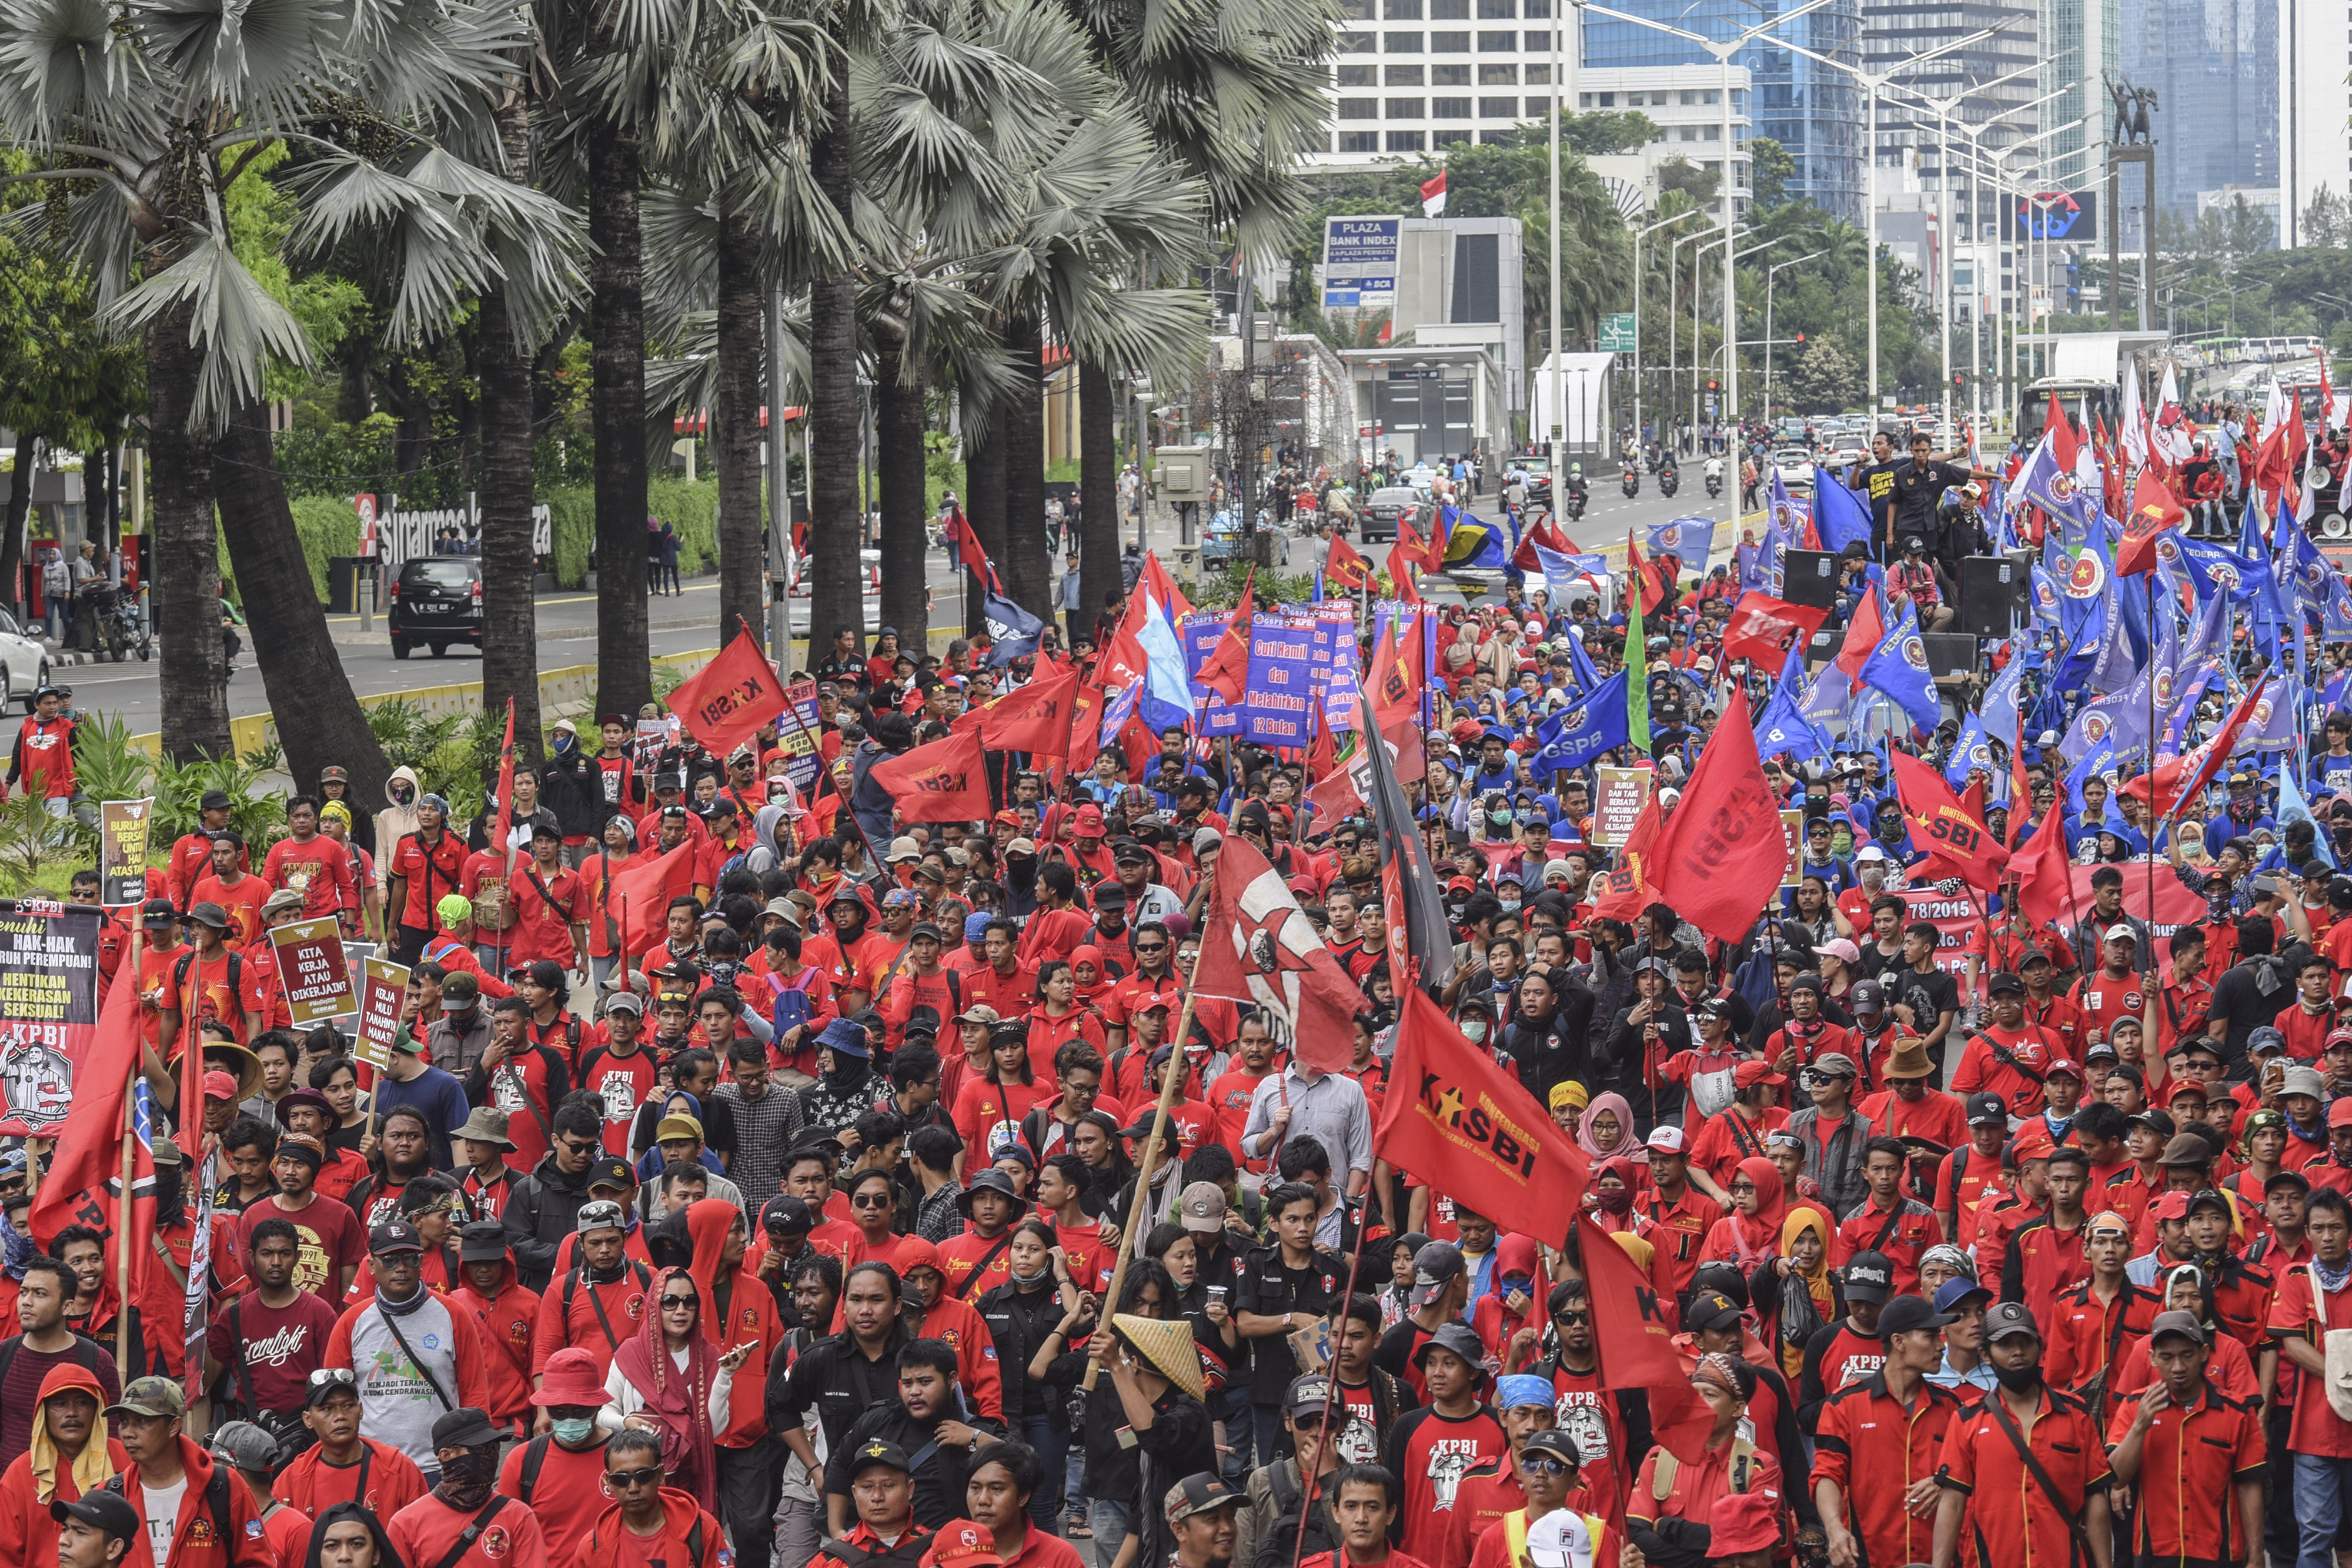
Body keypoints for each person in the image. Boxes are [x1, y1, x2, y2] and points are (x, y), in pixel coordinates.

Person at [1927, 1302, 2114, 1568]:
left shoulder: (2076, 1415)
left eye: (2026, 1342)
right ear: (1986, 1354)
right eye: (2005, 1344)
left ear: (2039, 1347)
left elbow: (2095, 1497)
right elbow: (1953, 1503)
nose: (2018, 1352)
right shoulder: (1967, 1420)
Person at [322, 1221, 492, 1482]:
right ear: (371, 1266)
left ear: (422, 1262)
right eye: (389, 1260)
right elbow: (333, 1402)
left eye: (410, 1258)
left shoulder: (453, 1314)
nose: (401, 1268)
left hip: (439, 1465)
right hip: (371, 1465)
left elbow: (475, 1393)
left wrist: (473, 1455)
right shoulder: (352, 1321)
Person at [1810, 1293, 1964, 1568]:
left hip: (1938, 1558)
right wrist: (1834, 1528)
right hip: (1869, 1558)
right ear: (1899, 1342)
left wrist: (1945, 1483)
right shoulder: (1843, 1405)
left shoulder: (1953, 1407)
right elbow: (1827, 1473)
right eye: (1929, 1336)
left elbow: (1969, 1475)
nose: (1941, 1346)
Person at [2102, 1310, 2264, 1568]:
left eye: (2187, 1355)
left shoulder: (2237, 1412)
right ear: (2153, 1359)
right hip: (2155, 1552)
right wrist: (2140, 1426)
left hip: (2219, 1553)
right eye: (2167, 1357)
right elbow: (2117, 1478)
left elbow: (2250, 1486)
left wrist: (2256, 1558)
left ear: (2203, 1354)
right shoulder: (2135, 1405)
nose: (2178, 1367)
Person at [100, 1375, 276, 1568]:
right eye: (124, 1421)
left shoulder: (223, 1486)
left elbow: (259, 1562)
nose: (127, 1432)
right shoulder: (109, 1495)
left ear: (174, 1426)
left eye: (142, 1421)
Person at [386, 1406, 554, 1568]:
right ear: (447, 1455)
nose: (490, 1456)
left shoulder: (519, 1516)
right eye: (480, 1449)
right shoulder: (406, 1524)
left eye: (494, 1447)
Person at [0, 1256, 121, 1473]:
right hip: (12, 1494)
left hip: (77, 1495)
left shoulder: (97, 1361)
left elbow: (110, 1439)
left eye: (40, 1294)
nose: (27, 1301)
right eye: (23, 1292)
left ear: (67, 1306)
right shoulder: (3, 1355)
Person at [0, 1365, 126, 1568]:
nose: (72, 1413)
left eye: (82, 1403)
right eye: (60, 1404)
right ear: (44, 1413)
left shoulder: (126, 1462)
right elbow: (5, 1557)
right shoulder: (19, 1474)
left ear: (97, 1410)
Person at [270, 1368, 429, 1523]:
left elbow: (423, 1535)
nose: (340, 1416)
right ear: (308, 1419)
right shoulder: (292, 1481)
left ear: (360, 1410)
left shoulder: (400, 1470)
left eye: (348, 1406)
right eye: (327, 1409)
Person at [575, 1426, 730, 1568]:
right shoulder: (594, 1546)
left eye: (643, 1476)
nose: (633, 1488)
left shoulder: (702, 1530)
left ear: (661, 1475)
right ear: (609, 1482)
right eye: (621, 1479)